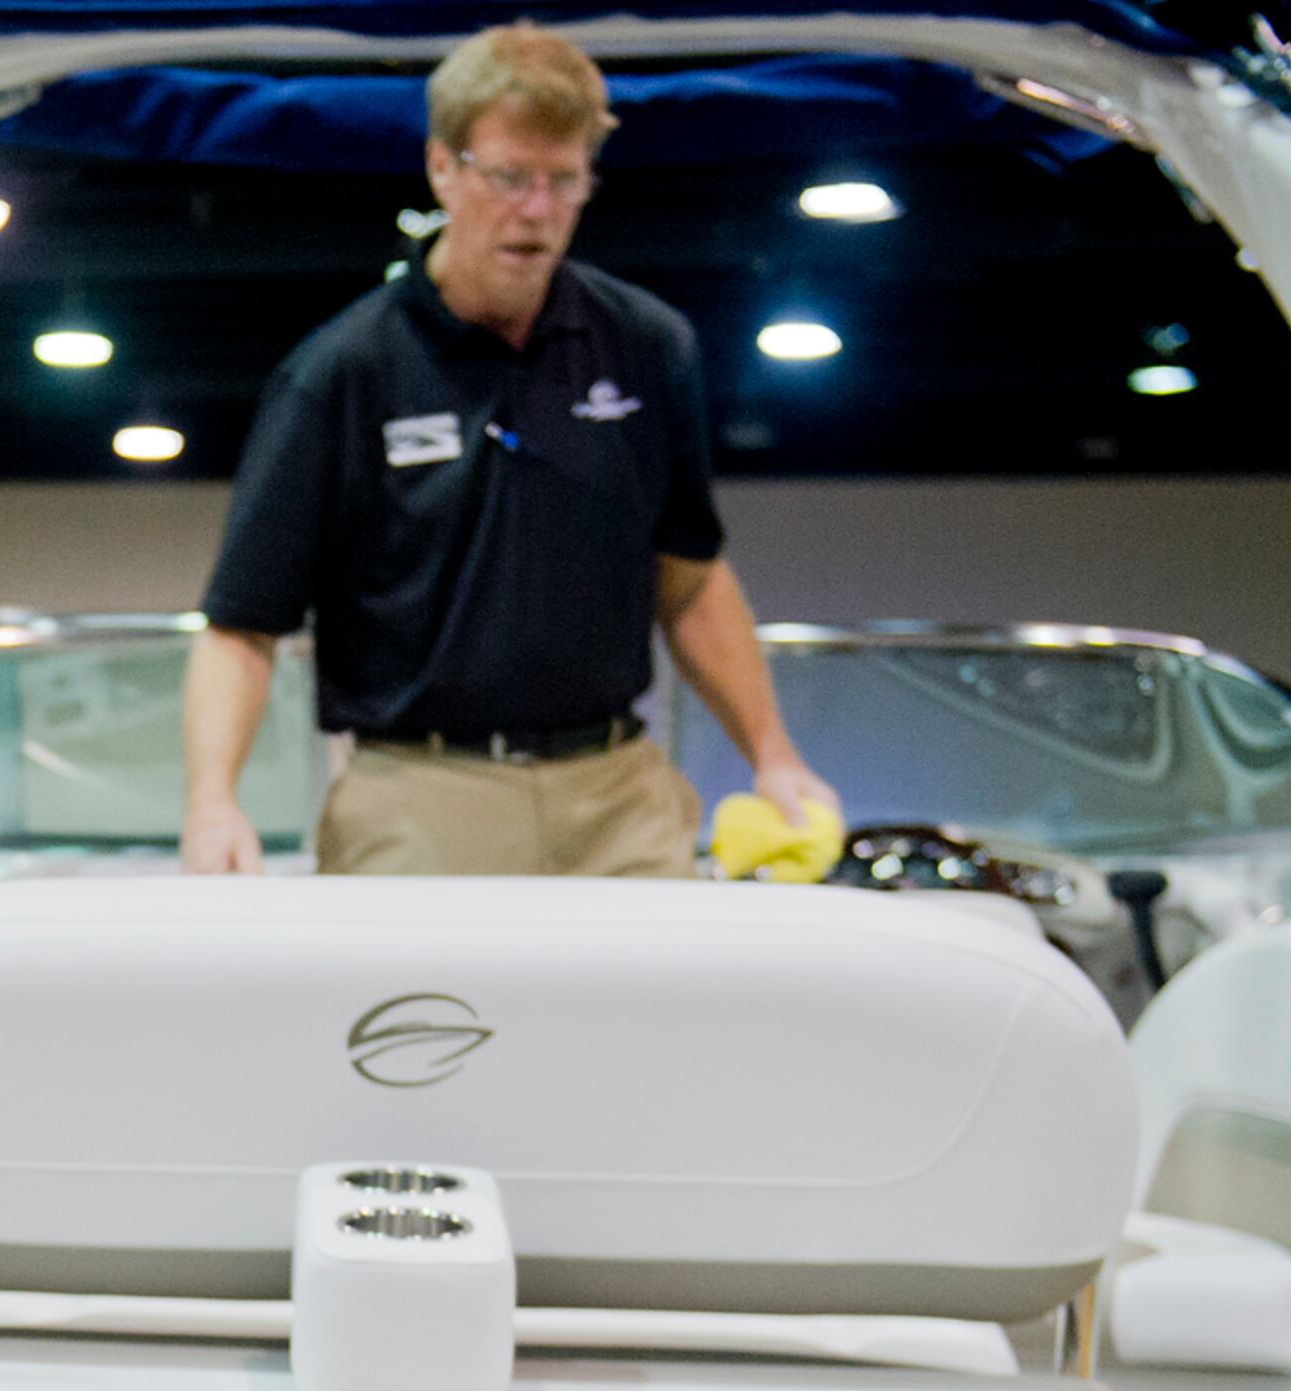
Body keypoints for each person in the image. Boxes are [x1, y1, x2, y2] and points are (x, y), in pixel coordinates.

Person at [181, 22, 833, 878]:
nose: (536, 210)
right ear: (441, 167)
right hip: (418, 796)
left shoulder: (647, 343)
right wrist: (211, 800)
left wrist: (774, 756)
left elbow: (692, 579)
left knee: (661, 1007)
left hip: (617, 794)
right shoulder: (341, 371)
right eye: (509, 177)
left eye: (564, 181)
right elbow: (242, 625)